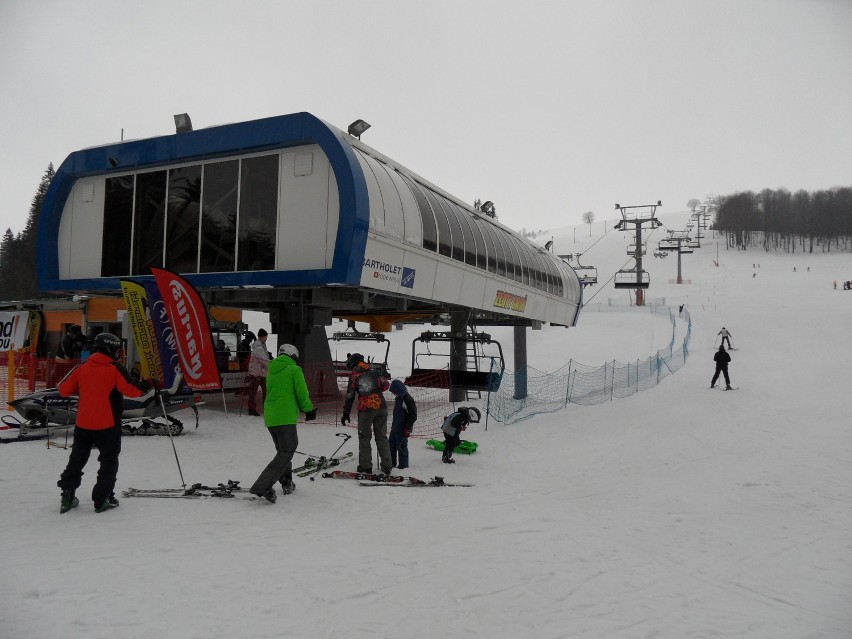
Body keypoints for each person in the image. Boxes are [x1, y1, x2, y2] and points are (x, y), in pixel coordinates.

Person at [56, 333, 156, 513]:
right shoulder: (114, 369)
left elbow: (63, 390)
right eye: (117, 350)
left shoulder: (82, 368)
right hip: (107, 425)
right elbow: (133, 391)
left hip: (83, 424)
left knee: (77, 460)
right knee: (108, 461)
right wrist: (149, 383)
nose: (118, 353)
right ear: (111, 349)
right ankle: (102, 499)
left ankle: (67, 497)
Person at [249, 344, 315, 503]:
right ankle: (262, 486)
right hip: (285, 417)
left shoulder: (272, 369)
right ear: (293, 355)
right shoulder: (294, 370)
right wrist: (309, 410)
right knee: (287, 451)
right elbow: (302, 392)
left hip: (272, 418)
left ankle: (286, 482)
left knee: (283, 452)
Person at [341, 353, 392, 475]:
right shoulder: (374, 372)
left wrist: (346, 412)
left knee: (364, 438)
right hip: (381, 407)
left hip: (366, 409)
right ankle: (387, 465)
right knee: (382, 437)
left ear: (352, 363)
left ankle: (366, 466)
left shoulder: (355, 375)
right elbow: (386, 386)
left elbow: (350, 396)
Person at [388, 379, 417, 470]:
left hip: (403, 428)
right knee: (391, 445)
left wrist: (407, 427)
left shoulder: (407, 399)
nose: (393, 394)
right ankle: (391, 463)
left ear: (398, 389)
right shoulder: (398, 398)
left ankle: (403, 466)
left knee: (401, 447)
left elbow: (413, 415)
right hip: (395, 427)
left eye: (394, 392)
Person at [246, 329, 270, 416]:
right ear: (263, 337)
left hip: (258, 373)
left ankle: (252, 408)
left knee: (254, 392)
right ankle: (261, 408)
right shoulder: (259, 348)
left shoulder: (260, 347)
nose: (266, 338)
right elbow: (265, 361)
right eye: (266, 336)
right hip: (258, 373)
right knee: (263, 392)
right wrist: (272, 367)